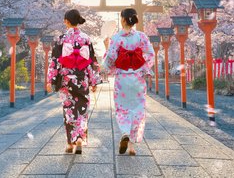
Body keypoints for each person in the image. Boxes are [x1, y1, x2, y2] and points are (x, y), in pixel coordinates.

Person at [103, 8, 154, 155]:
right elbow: (150, 54)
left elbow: (111, 58)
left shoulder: (117, 38)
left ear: (123, 20)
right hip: (137, 78)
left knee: (122, 109)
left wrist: (105, 67)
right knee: (137, 110)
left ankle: (125, 132)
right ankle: (131, 146)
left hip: (122, 79)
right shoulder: (141, 36)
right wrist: (144, 69)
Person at [47, 9, 100, 154]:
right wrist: (94, 80)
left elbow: (55, 61)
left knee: (69, 109)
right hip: (82, 78)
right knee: (82, 109)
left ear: (66, 21)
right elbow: (91, 60)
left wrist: (51, 79)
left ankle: (70, 143)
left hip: (66, 79)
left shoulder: (61, 39)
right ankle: (80, 139)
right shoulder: (86, 38)